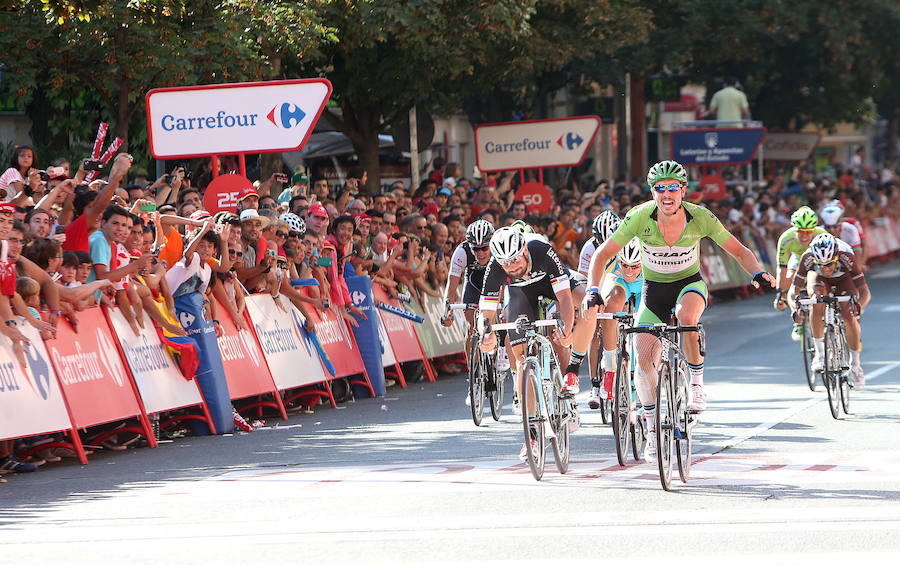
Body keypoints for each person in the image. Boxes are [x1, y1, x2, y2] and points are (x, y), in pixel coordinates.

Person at [584, 160, 774, 461]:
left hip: (689, 284)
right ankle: (651, 428)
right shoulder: (638, 216)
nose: (667, 193)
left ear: (683, 190)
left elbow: (738, 250)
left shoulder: (700, 217)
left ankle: (697, 384)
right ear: (653, 192)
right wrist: (593, 290)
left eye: (673, 187)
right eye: (660, 188)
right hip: (654, 291)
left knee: (687, 318)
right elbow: (603, 253)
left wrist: (757, 273)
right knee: (644, 364)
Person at [478, 227, 580, 457]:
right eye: (506, 264)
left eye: (515, 260)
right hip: (521, 295)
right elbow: (486, 313)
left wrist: (567, 329)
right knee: (523, 361)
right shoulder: (495, 268)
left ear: (524, 250)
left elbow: (565, 297)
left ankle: (569, 391)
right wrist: (487, 335)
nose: (512, 267)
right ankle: (532, 436)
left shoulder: (541, 250)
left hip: (550, 286)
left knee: (564, 329)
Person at [788, 233, 869, 387]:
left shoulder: (846, 256)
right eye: (821, 264)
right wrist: (795, 308)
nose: (826, 268)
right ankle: (819, 354)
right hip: (819, 281)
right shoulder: (808, 257)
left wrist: (859, 307)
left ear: (836, 257)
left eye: (830, 264)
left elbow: (865, 292)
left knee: (848, 314)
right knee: (816, 301)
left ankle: (856, 364)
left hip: (844, 279)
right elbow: (794, 291)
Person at [772, 206, 828, 340]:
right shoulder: (786, 238)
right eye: (800, 231)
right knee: (790, 279)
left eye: (809, 231)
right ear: (794, 229)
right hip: (797, 259)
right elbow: (782, 269)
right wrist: (781, 294)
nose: (805, 235)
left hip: (817, 260)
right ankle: (797, 317)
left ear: (814, 229)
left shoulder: (822, 234)